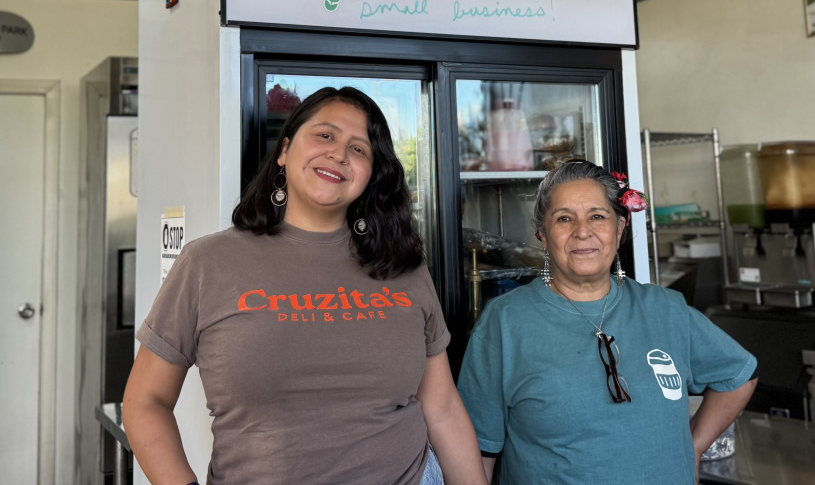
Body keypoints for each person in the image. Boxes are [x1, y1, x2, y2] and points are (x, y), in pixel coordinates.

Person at [123, 86, 488, 485]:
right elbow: (146, 402)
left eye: (359, 149)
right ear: (284, 150)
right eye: (325, 135)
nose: (339, 154)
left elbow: (442, 407)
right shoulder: (206, 263)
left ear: (370, 176)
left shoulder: (403, 266)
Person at [457, 159, 757, 485]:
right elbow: (476, 456)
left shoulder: (666, 309)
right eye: (564, 218)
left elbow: (738, 375)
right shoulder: (505, 323)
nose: (582, 231)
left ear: (619, 228)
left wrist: (693, 447)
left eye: (597, 216)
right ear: (542, 233)